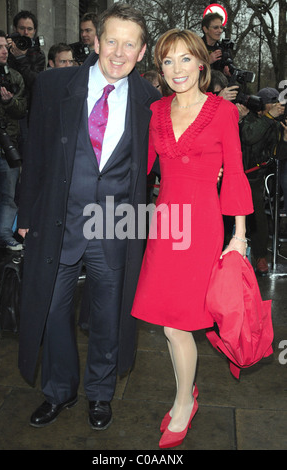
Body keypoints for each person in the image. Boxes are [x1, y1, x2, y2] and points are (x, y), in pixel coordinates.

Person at [17, 3, 161, 431]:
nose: (118, 52)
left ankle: (100, 394)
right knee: (53, 311)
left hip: (116, 226)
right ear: (96, 39)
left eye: (129, 44)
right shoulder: (53, 83)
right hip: (59, 221)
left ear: (142, 51)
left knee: (108, 314)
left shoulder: (149, 100)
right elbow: (35, 153)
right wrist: (26, 213)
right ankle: (59, 390)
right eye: (111, 40)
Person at [131, 29, 253, 449]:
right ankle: (187, 393)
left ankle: (184, 400)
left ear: (202, 63)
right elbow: (139, 166)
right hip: (166, 224)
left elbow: (234, 173)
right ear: (159, 68)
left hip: (201, 225)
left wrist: (238, 236)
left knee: (177, 323)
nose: (177, 70)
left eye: (185, 60)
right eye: (168, 61)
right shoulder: (155, 109)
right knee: (170, 322)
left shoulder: (222, 112)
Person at [239, 87, 286, 275]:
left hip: (257, 179)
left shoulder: (273, 123)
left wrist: (285, 139)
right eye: (272, 103)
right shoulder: (247, 119)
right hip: (238, 176)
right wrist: (269, 118)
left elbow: (278, 155)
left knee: (259, 219)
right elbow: (249, 137)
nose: (276, 107)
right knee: (229, 219)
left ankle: (260, 256)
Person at [0, 29, 27, 250]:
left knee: (8, 196)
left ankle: (4, 235)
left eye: (6, 47)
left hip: (7, 146)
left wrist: (9, 101)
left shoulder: (14, 76)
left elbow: (22, 110)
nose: (5, 51)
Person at [7, 10, 45, 106]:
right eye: (22, 28)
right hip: (8, 103)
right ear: (15, 29)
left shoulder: (38, 54)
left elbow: (35, 82)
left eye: (29, 29)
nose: (26, 33)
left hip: (29, 104)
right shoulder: (6, 49)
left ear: (34, 31)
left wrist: (21, 58)